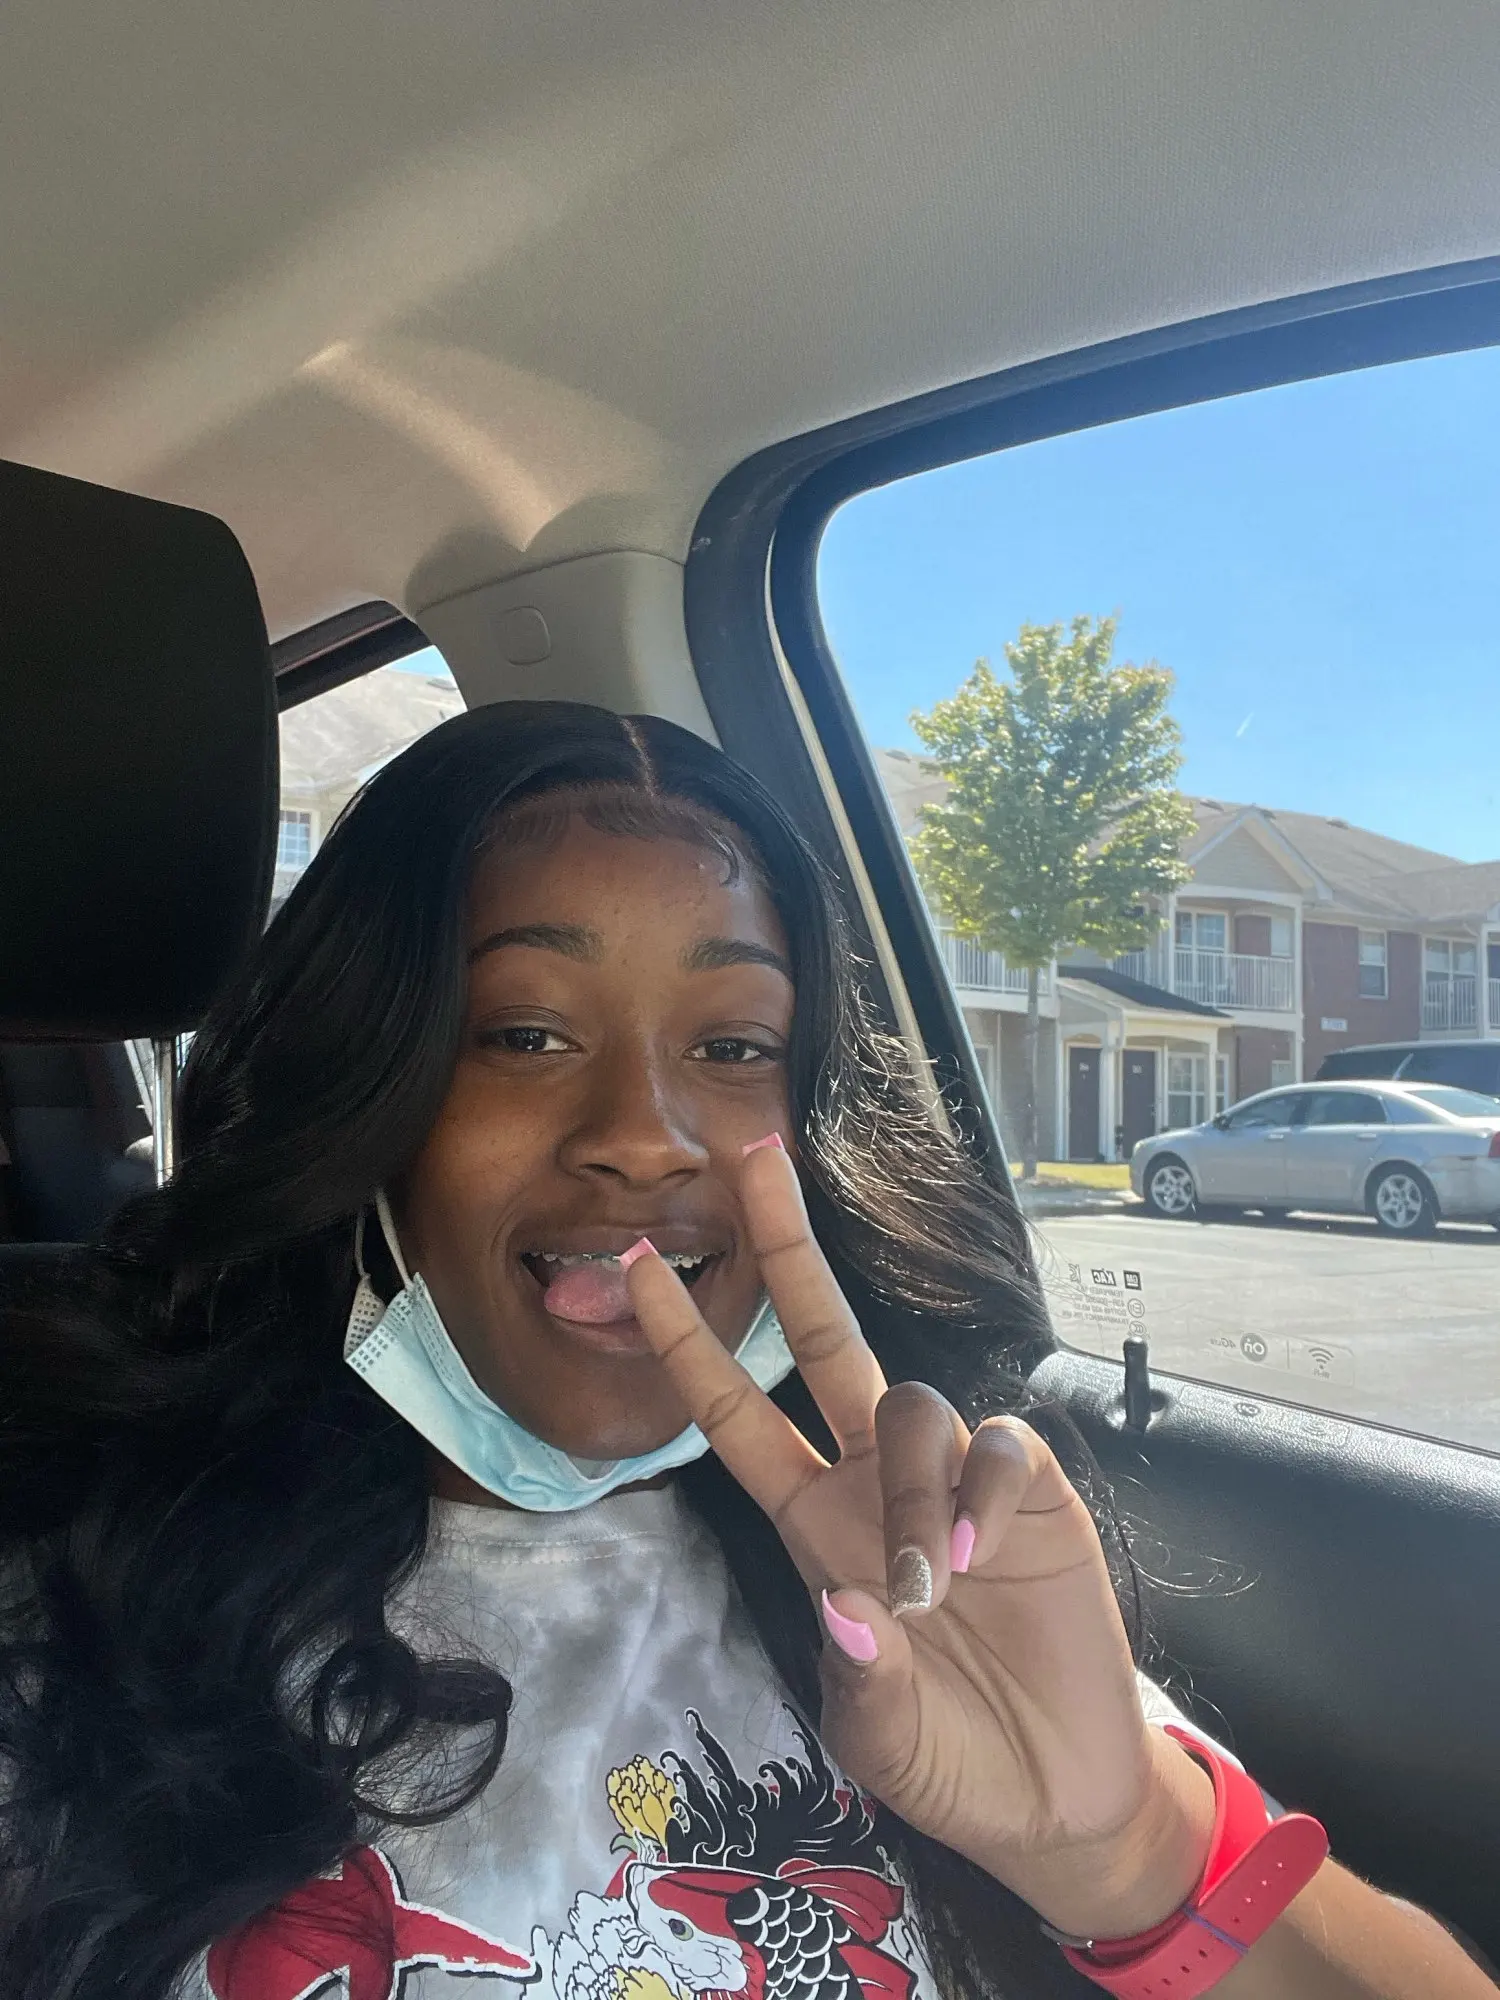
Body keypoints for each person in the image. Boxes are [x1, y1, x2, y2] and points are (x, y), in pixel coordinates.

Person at [0, 702, 1491, 2000]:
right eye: (523, 1032)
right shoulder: (73, 1599)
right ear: (367, 1089)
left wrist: (1127, 1851)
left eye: (732, 1046)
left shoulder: (903, 1568)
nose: (646, 1134)